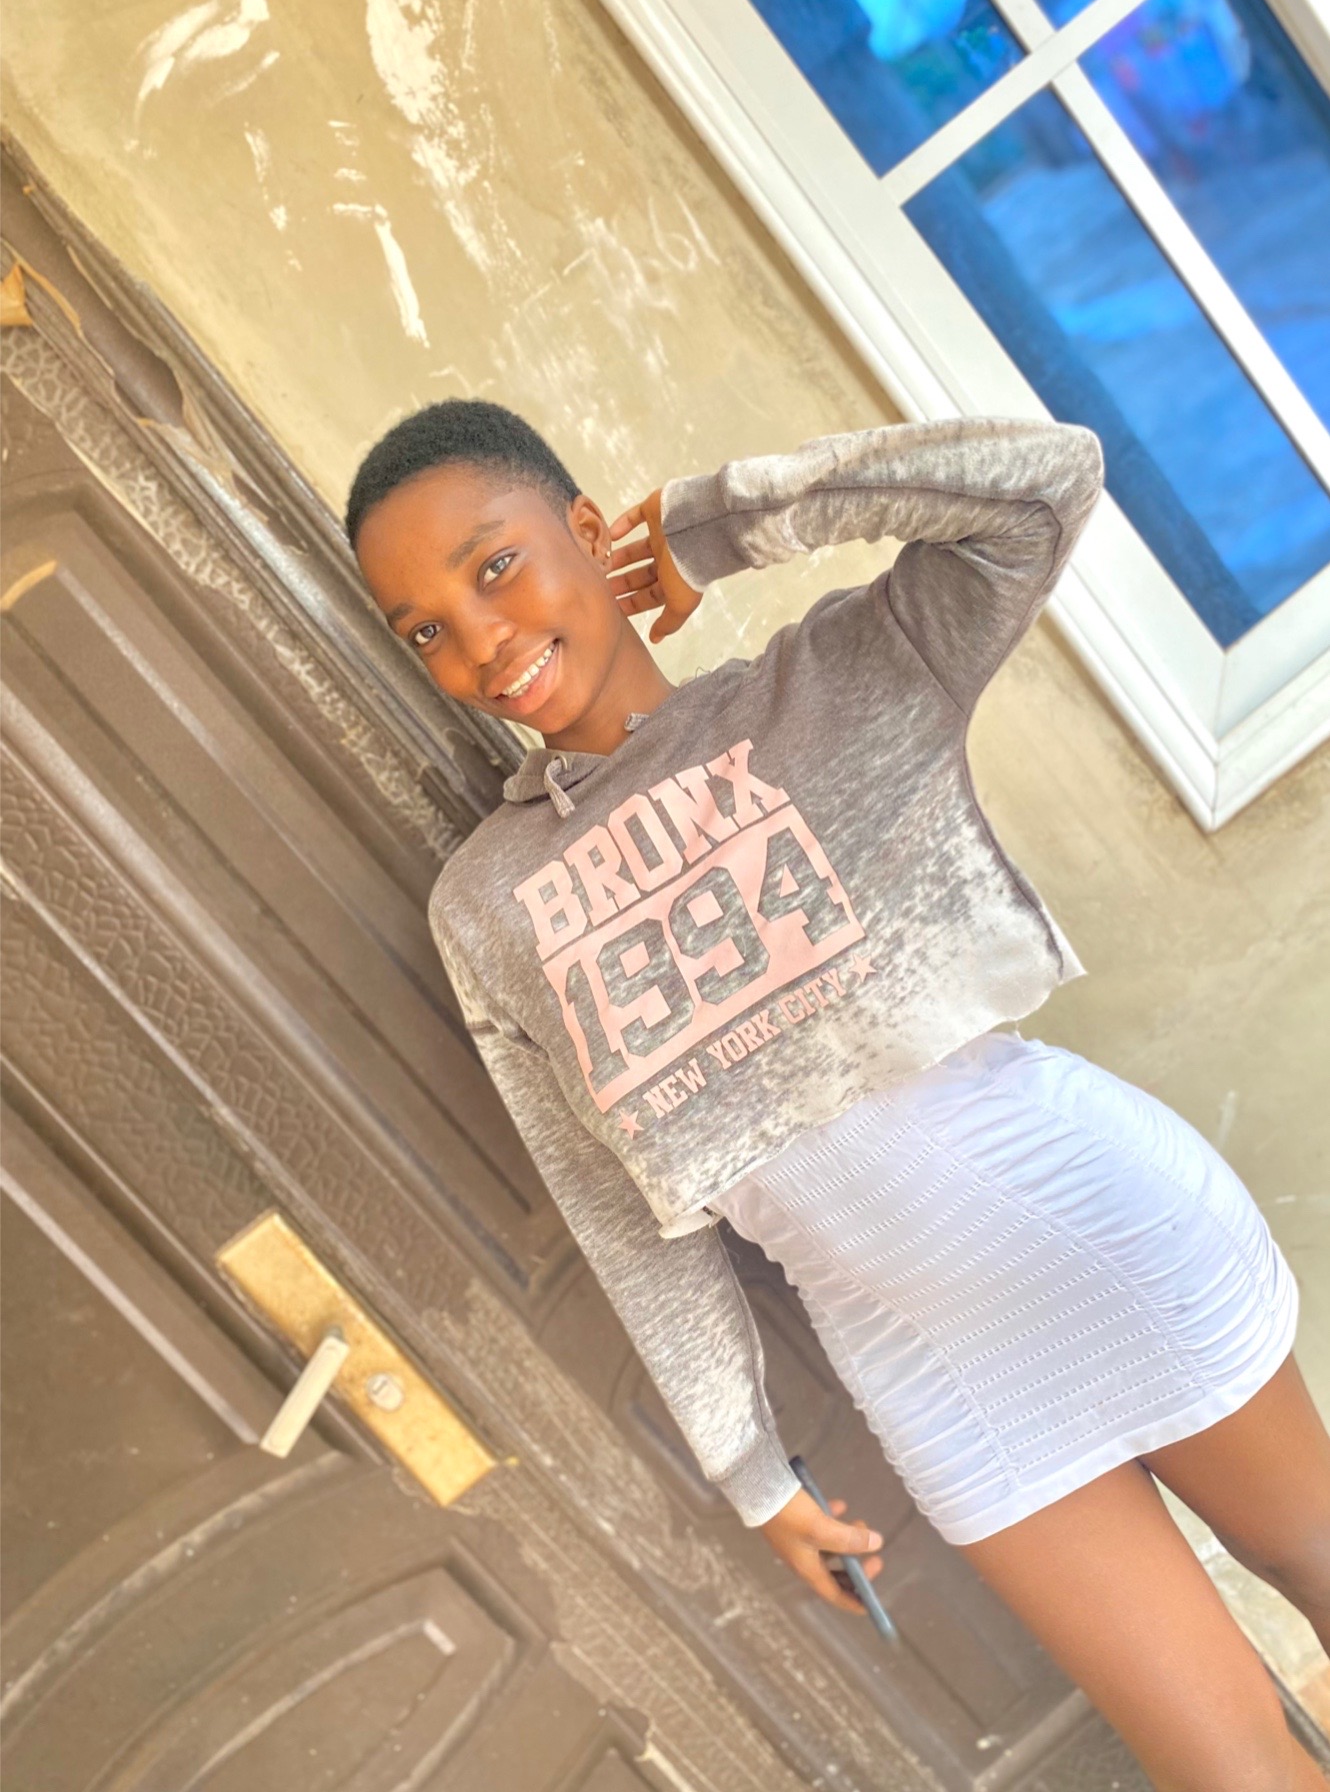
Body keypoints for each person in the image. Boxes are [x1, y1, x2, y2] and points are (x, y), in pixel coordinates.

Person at [347, 398, 1329, 1790]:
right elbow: (627, 1222)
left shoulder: (834, 684)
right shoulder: (487, 906)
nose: (481, 640)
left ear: (587, 530)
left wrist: (723, 522)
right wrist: (751, 1471)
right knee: (1231, 1774)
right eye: (427, 630)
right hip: (928, 1367)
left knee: (1318, 1564)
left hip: (1092, 1230)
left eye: (493, 566)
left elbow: (1044, 485)